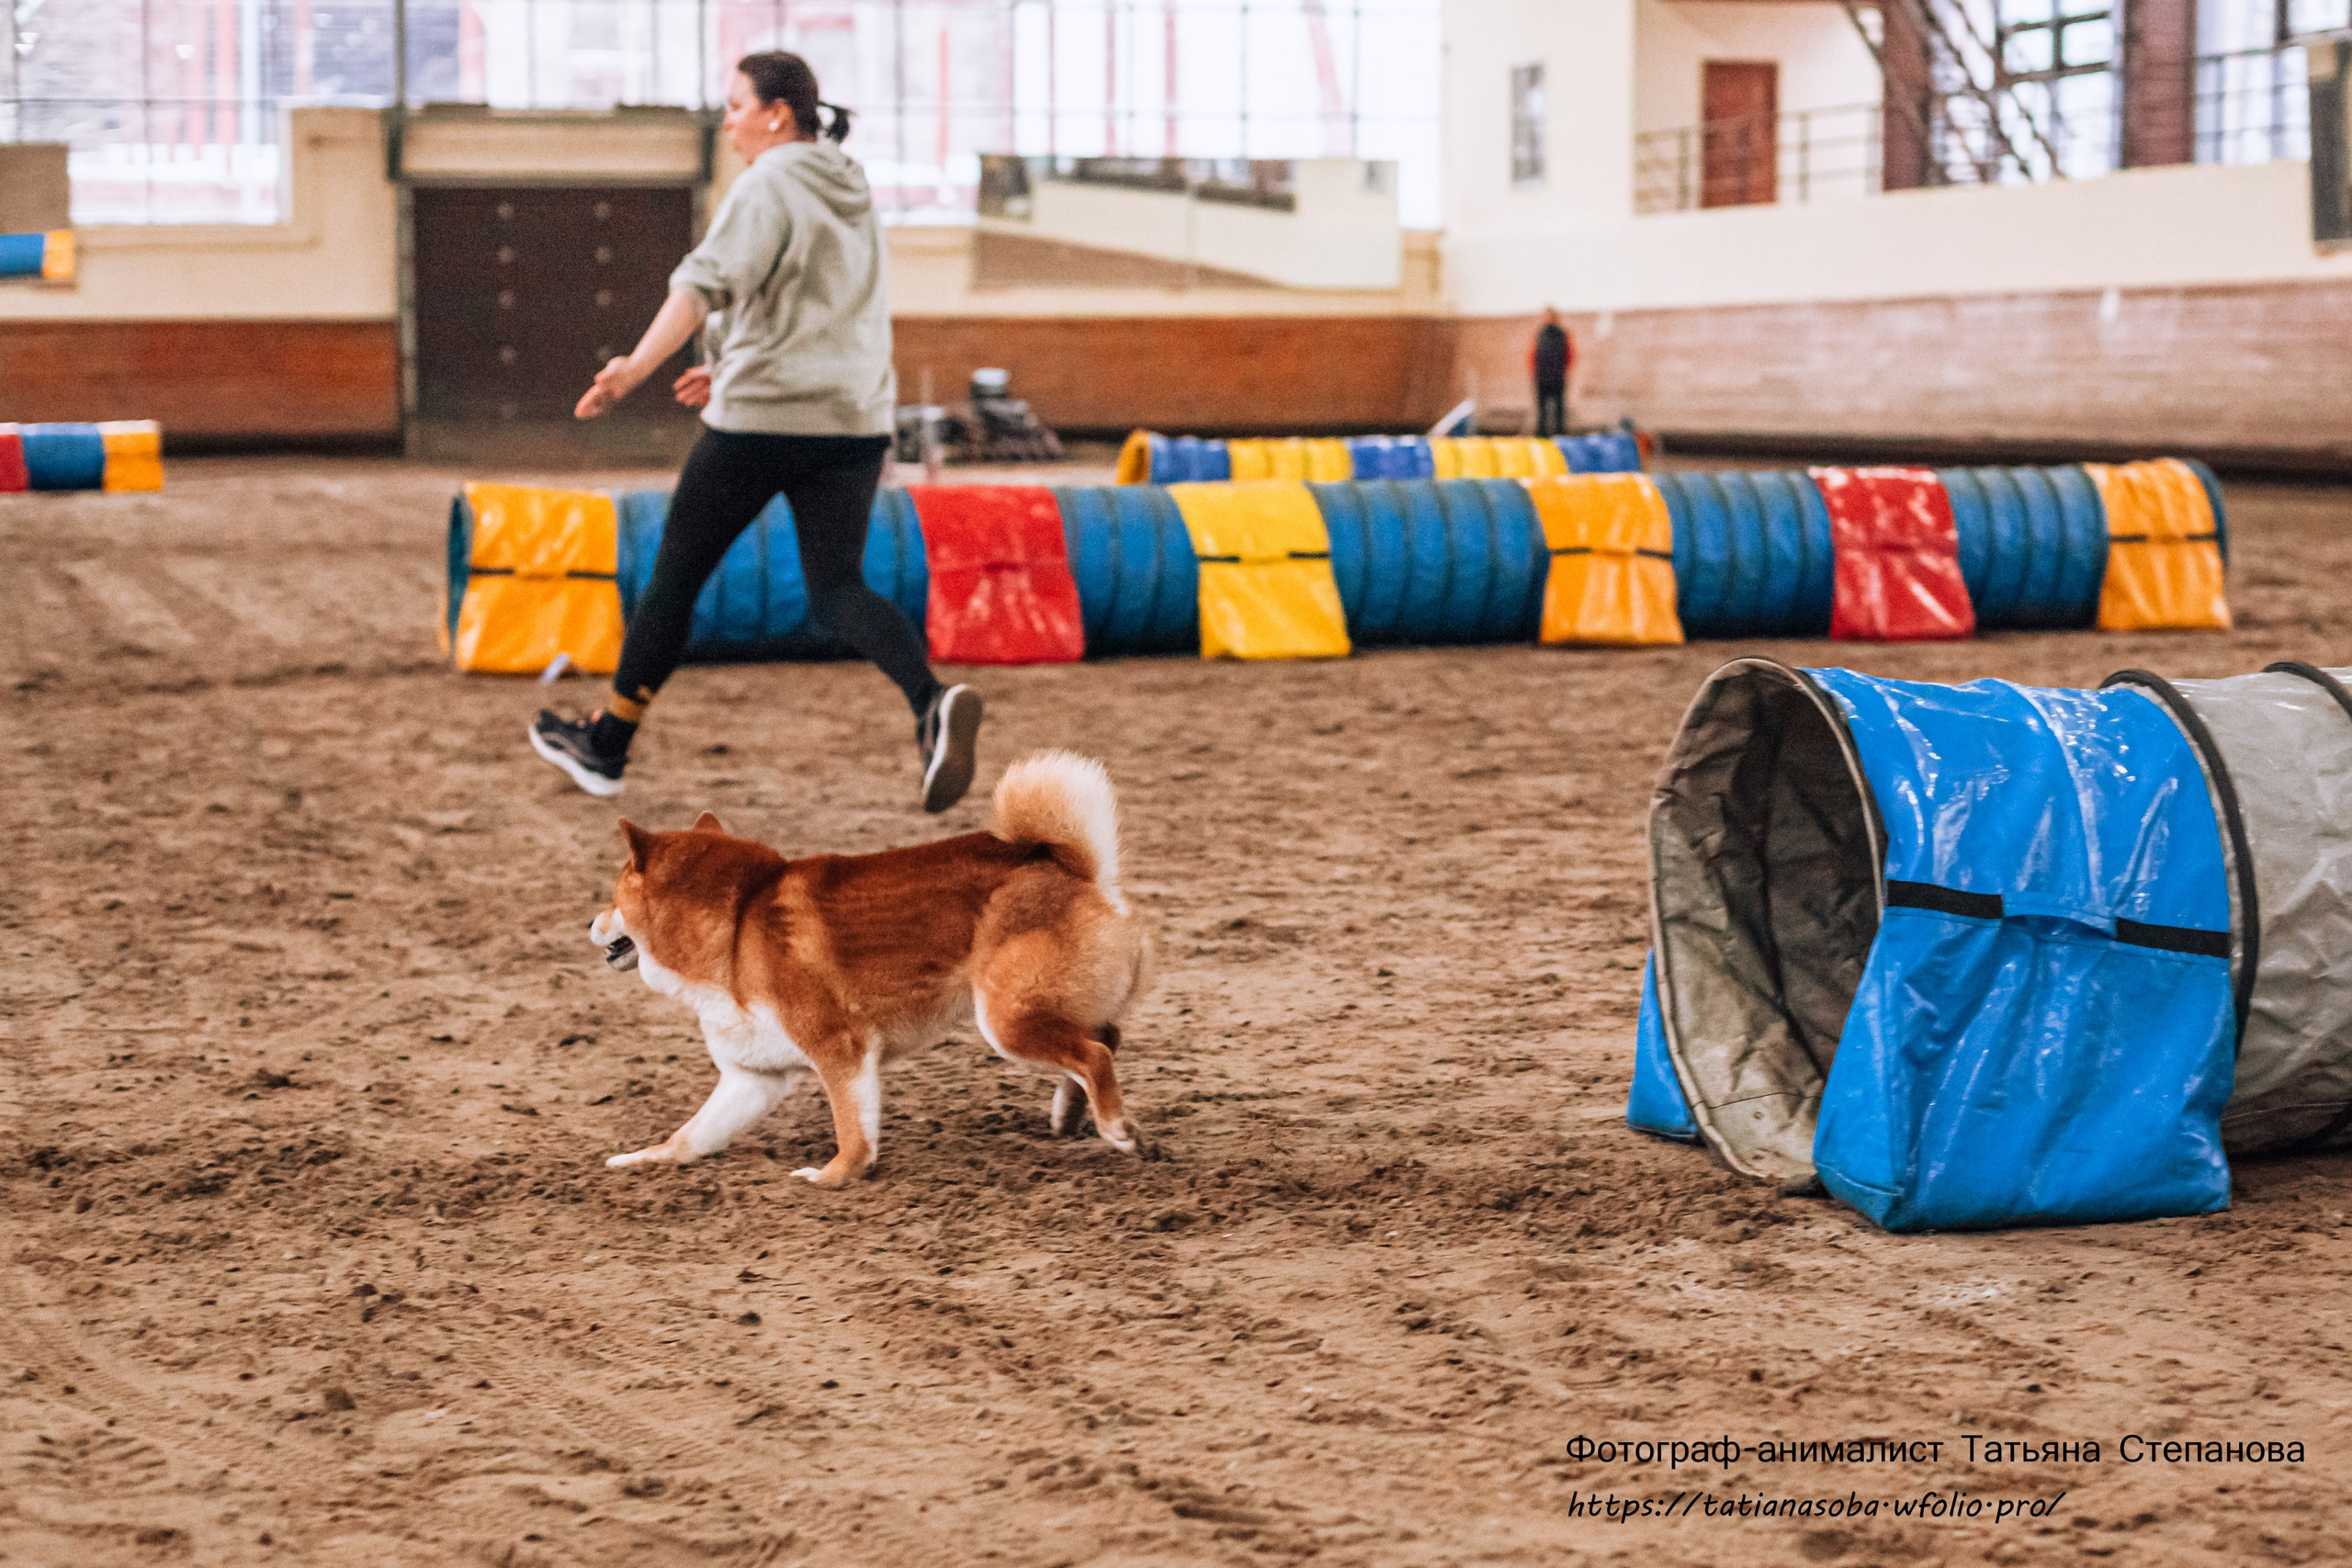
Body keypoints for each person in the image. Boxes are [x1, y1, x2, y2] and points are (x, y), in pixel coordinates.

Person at [529, 51, 982, 814]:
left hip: (765, 422)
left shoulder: (768, 183)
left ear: (778, 113)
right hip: (853, 421)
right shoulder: (852, 188)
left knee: (676, 576)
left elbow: (700, 285)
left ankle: (607, 744)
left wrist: (633, 369)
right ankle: (931, 702)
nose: (728, 123)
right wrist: (729, 363)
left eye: (737, 106)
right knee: (838, 589)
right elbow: (811, 306)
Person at [1531, 307, 1572, 437]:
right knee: (1542, 412)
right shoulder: (1540, 335)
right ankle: (1541, 436)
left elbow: (1569, 356)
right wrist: (1535, 373)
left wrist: (1562, 372)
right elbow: (1533, 356)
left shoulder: (1563, 335)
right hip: (1542, 379)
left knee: (1559, 412)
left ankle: (1559, 436)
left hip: (1557, 378)